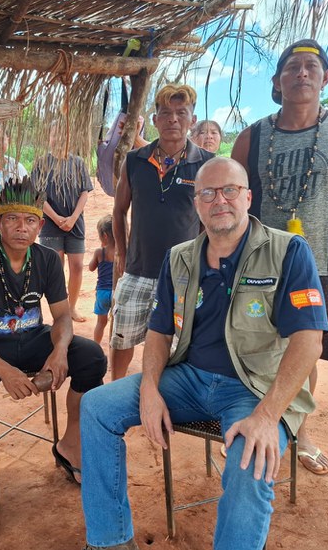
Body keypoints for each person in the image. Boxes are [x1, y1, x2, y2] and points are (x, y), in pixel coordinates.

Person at [70, 157, 328, 550]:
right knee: (97, 406)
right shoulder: (179, 258)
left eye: (229, 190)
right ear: (196, 204)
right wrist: (151, 388)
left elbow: (309, 341)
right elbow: (159, 331)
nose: (218, 200)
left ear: (247, 197)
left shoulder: (288, 251)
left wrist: (266, 416)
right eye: (207, 193)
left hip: (255, 390)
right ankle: (110, 545)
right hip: (189, 379)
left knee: (250, 457)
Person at [231, 39, 328, 475]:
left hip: (318, 268)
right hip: (257, 266)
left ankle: (301, 431)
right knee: (252, 343)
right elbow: (236, 203)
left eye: (312, 67)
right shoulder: (252, 137)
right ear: (277, 81)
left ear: (326, 78)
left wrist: (316, 244)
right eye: (292, 68)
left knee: (305, 352)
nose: (302, 74)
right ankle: (248, 419)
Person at [0, 178, 106, 541]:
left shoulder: (47, 259)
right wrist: (5, 371)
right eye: (13, 219)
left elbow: (62, 316)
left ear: (40, 225)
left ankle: (70, 445)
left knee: (92, 358)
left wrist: (59, 350)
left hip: (33, 339)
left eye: (29, 220)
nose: (21, 227)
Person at [110, 83, 214, 380]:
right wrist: (121, 251)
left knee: (177, 342)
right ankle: (115, 388)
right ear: (154, 119)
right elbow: (119, 211)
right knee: (123, 336)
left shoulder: (206, 165)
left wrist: (206, 263)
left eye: (181, 113)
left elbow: (211, 221)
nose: (173, 120)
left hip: (184, 272)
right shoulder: (135, 160)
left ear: (192, 121)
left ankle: (161, 395)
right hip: (138, 268)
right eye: (166, 113)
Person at [31, 121, 94, 322]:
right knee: (55, 269)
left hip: (75, 225)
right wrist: (57, 218)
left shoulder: (78, 163)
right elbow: (38, 196)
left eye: (63, 134)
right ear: (49, 137)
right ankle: (58, 312)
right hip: (50, 225)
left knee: (76, 266)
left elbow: (84, 192)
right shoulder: (41, 164)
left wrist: (73, 217)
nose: (58, 139)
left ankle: (72, 307)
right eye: (54, 134)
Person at [88, 214, 115, 344]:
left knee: (101, 322)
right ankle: (114, 349)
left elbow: (91, 268)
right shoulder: (122, 251)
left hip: (102, 292)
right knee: (115, 324)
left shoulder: (100, 252)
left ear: (104, 235)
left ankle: (96, 346)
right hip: (117, 292)